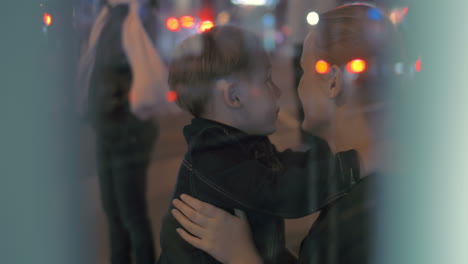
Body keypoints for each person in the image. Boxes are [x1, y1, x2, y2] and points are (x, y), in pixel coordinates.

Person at [170, 4, 401, 264]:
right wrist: (358, 161)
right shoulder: (215, 155)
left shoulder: (356, 217)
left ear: (334, 82)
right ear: (233, 96)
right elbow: (284, 186)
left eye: (303, 71)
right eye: (267, 80)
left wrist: (241, 256)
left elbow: (288, 176)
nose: (282, 90)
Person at [77, 0, 170, 263]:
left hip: (127, 129)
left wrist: (104, 105)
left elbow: (122, 73)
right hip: (108, 126)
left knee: (131, 215)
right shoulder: (109, 16)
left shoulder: (135, 16)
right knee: (115, 214)